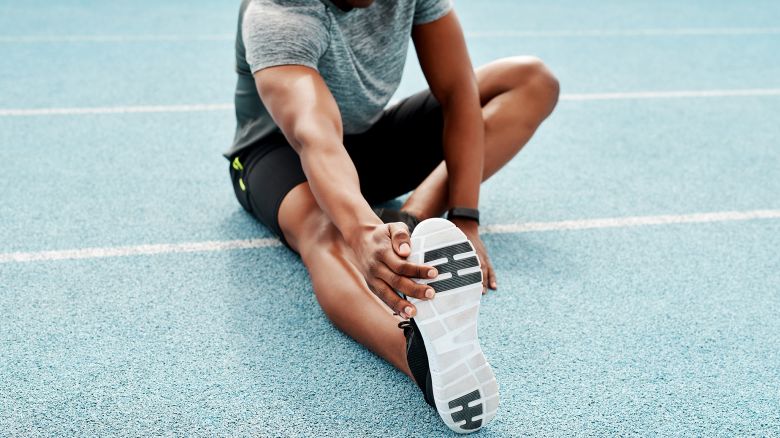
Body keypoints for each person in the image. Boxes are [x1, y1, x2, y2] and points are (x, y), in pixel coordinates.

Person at [226, 0, 558, 431]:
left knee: (530, 80)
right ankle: (419, 356)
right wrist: (363, 233)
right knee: (325, 231)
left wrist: (465, 217)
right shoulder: (280, 14)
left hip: (365, 140)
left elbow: (458, 93)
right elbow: (316, 138)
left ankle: (416, 212)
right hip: (278, 153)